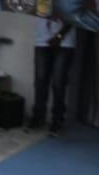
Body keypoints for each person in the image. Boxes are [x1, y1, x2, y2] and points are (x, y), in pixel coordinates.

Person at [32, 8, 75, 136]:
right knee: (40, 81)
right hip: (42, 39)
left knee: (58, 82)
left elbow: (74, 15)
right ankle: (38, 117)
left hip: (65, 42)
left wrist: (59, 36)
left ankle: (58, 120)